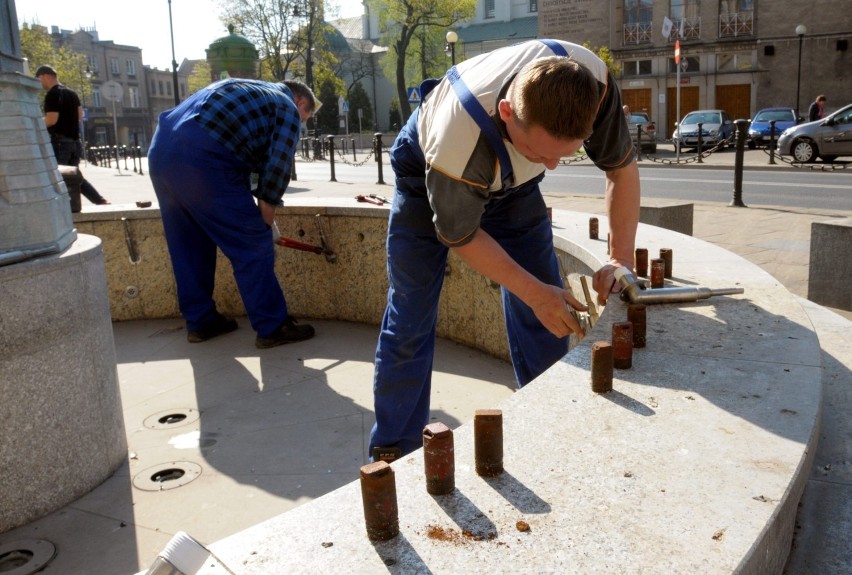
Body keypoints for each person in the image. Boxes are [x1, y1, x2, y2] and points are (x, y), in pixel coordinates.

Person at [369, 39, 640, 461]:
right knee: (411, 313)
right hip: (429, 177)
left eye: (562, 158)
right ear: (509, 112)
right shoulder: (456, 139)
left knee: (549, 310)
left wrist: (620, 258)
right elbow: (460, 237)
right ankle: (393, 448)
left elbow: (621, 172)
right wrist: (532, 292)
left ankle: (545, 425)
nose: (550, 167)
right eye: (539, 152)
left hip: (513, 187)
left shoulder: (593, 87)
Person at [147, 78, 319, 348]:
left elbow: (248, 162)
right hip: (203, 157)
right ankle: (272, 325)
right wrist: (264, 227)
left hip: (162, 153)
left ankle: (201, 321)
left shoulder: (246, 88)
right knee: (252, 246)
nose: (303, 124)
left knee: (189, 244)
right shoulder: (286, 107)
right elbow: (276, 172)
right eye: (306, 117)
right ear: (300, 102)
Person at [35, 65, 110, 205]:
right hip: (75, 142)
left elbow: (51, 120)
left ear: (45, 76)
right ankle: (99, 199)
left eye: (39, 79)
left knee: (58, 176)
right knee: (74, 175)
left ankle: (63, 207)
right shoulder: (71, 93)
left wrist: (34, 124)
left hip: (59, 142)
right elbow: (80, 115)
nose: (39, 83)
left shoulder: (52, 94)